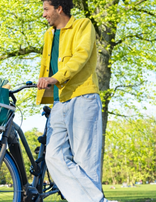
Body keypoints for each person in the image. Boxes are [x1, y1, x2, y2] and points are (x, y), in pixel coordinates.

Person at [36, 0, 111, 201]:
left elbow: (81, 55)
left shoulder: (83, 25)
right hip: (59, 102)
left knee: (85, 160)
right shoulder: (48, 35)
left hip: (83, 97)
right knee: (53, 155)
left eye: (46, 9)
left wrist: (56, 78)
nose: (44, 14)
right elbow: (47, 66)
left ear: (59, 9)